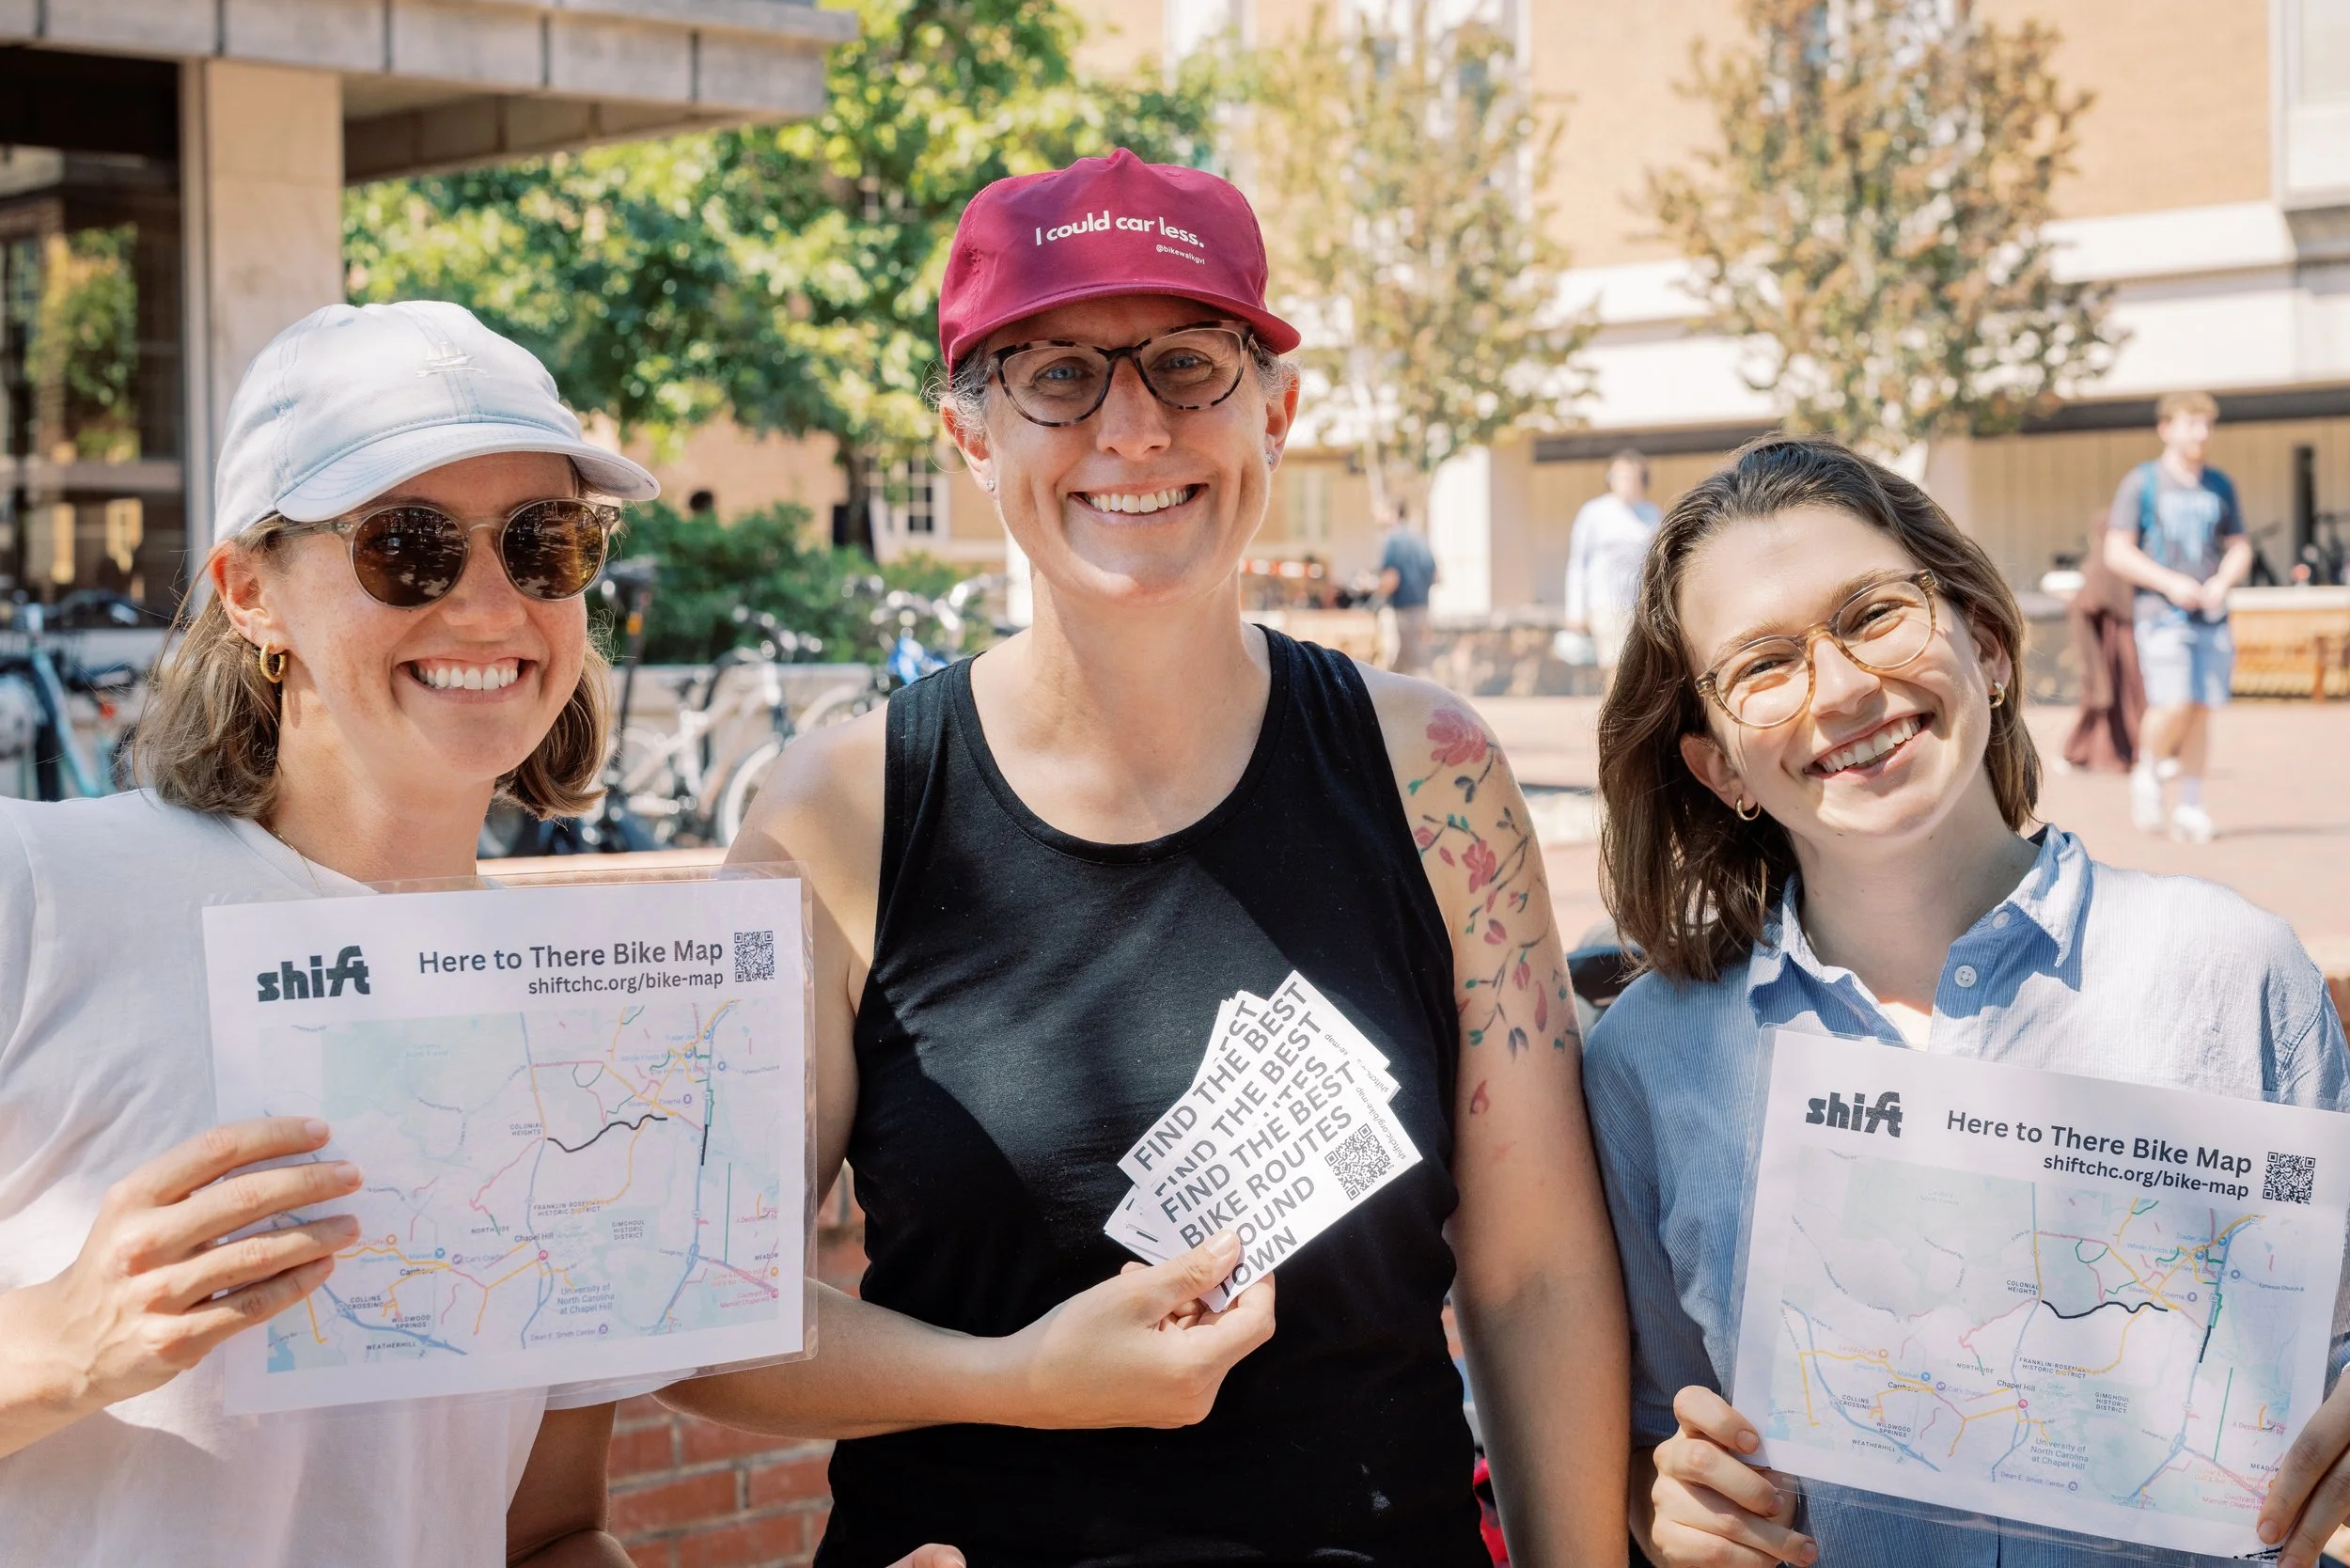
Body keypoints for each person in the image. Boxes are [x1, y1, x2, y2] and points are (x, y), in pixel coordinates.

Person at [0, 300, 1155, 1567]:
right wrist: (63, 1342)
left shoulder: (574, 1028)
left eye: (546, 544)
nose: (493, 608)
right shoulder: (40, 896)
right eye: (407, 546)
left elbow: (548, 1537)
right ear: (250, 591)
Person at [663, 148, 1631, 1565]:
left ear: (1278, 412)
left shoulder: (1435, 778)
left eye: (1187, 366)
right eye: (1056, 374)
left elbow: (1538, 1273)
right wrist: (1014, 1383)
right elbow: (686, 1302)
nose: (1132, 429)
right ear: (971, 438)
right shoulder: (842, 814)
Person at [1585, 434, 2350, 1568]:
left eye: (1874, 614)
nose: (1841, 688)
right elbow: (1655, 1434)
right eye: (1762, 666)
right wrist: (1669, 1514)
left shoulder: (2230, 971)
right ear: (1720, 769)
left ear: (1985, 644)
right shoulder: (1647, 1061)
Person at [2104, 391, 2250, 842]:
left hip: (2211, 616)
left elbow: (2239, 545)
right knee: (2173, 702)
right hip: (2161, 614)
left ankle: (2190, 804)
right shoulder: (2142, 482)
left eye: (2208, 424)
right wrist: (2170, 583)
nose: (2201, 434)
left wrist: (2222, 583)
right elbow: (2117, 550)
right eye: (2192, 423)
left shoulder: (2220, 485)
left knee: (2202, 708)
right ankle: (2147, 770)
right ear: (2166, 428)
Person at [2061, 506, 2146, 772]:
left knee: (2129, 700)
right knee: (2112, 699)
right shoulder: (2105, 564)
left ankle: (2131, 751)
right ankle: (2087, 752)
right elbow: (2091, 602)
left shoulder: (2117, 563)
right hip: (2110, 648)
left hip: (2125, 646)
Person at [1563, 448, 1662, 668]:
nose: (1626, 481)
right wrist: (1575, 611)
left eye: (1631, 475)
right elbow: (1578, 563)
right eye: (1620, 475)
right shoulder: (1594, 513)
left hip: (1639, 604)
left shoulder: (1652, 514)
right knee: (1616, 666)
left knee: (1636, 669)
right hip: (1604, 603)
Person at [1377, 512, 1439, 675]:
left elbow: (1391, 579)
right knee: (1420, 658)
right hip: (1422, 608)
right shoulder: (1420, 538)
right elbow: (1435, 576)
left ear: (1393, 513)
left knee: (1403, 662)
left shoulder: (1394, 541)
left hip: (1403, 608)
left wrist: (1374, 592)